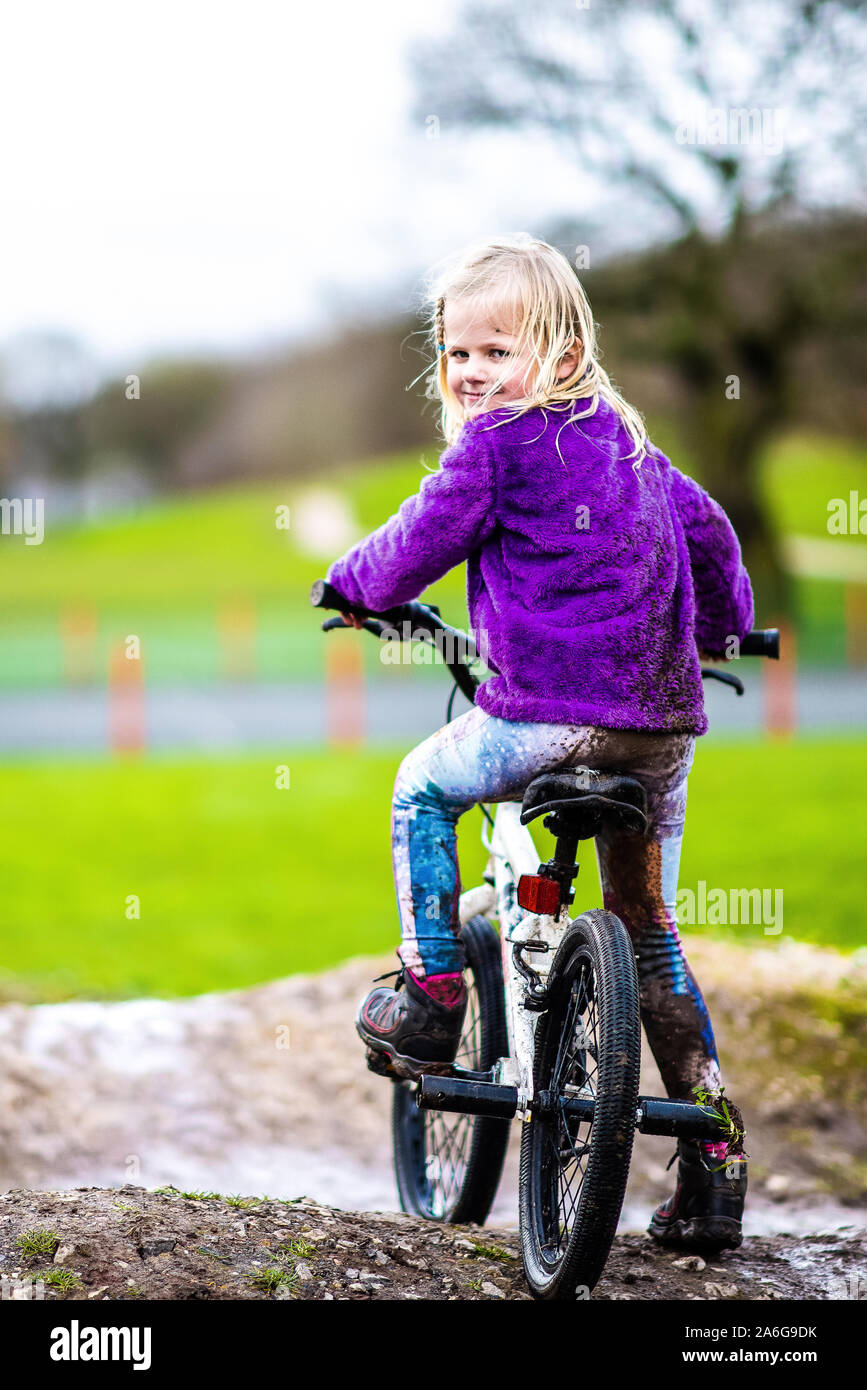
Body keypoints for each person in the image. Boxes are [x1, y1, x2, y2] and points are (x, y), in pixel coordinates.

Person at [324, 233, 751, 1251]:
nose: (470, 371)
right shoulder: (637, 449)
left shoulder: (494, 448)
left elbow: (418, 538)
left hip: (544, 715)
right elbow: (715, 540)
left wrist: (351, 587)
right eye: (456, 353)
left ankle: (429, 995)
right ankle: (716, 1163)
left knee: (421, 788)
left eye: (494, 350)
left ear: (562, 354)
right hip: (659, 732)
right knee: (648, 932)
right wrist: (722, 632)